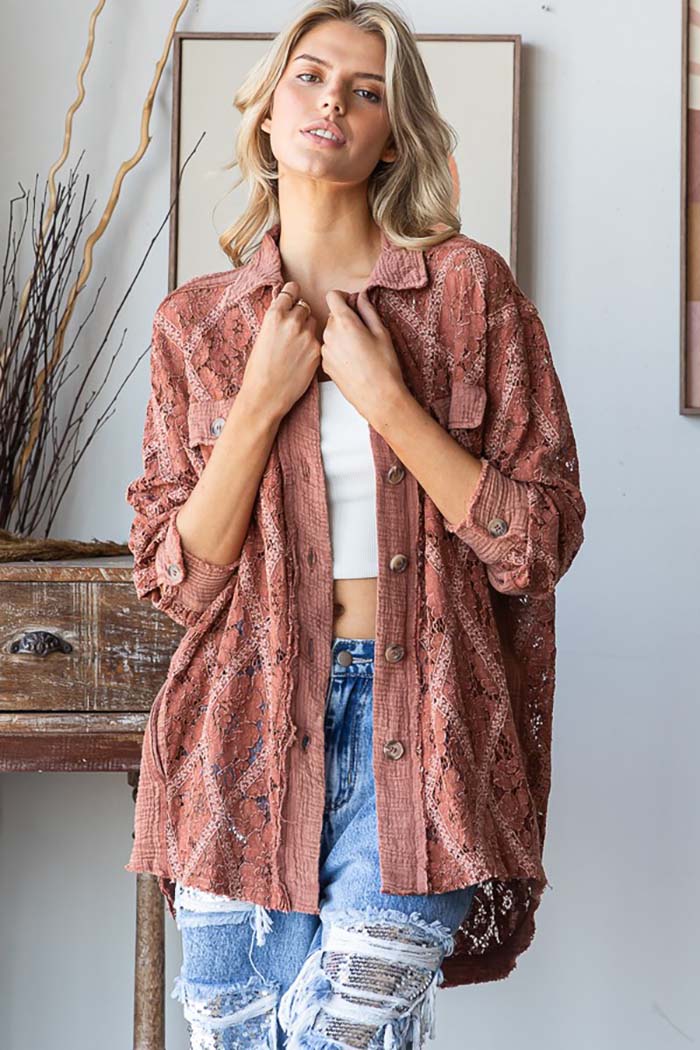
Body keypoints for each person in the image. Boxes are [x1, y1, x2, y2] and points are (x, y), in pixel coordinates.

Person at [124, 1, 587, 1047]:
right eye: (310, 75)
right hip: (236, 739)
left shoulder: (466, 293)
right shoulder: (197, 325)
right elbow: (176, 582)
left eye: (364, 91)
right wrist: (257, 404)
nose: (330, 101)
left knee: (347, 1033)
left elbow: (538, 543)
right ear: (267, 109)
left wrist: (388, 403)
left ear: (391, 135)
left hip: (418, 721)